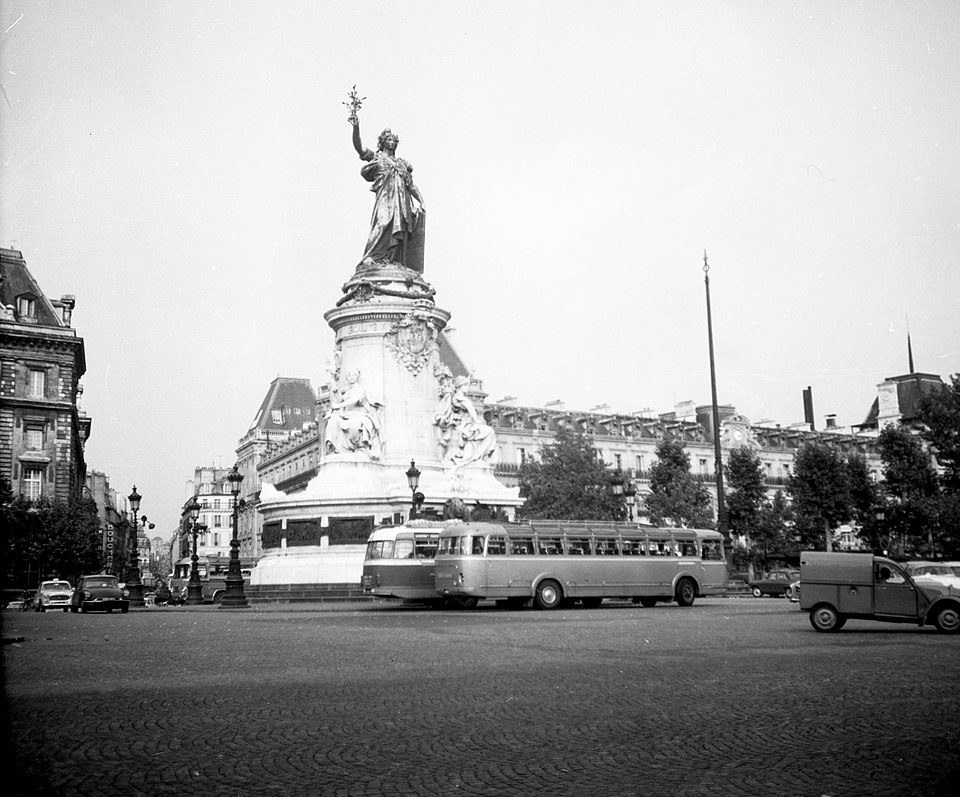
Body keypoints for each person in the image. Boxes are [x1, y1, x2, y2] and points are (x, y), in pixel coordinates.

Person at [350, 115, 426, 272]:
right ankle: (371, 257)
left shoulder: (402, 163)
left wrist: (421, 201)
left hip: (402, 201)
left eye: (393, 140)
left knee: (401, 228)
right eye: (388, 139)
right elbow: (359, 147)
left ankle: (394, 260)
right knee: (383, 223)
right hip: (385, 199)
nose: (391, 142)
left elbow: (410, 185)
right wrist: (356, 128)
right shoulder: (377, 158)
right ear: (382, 142)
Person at [324, 369, 383, 459]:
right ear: (346, 378)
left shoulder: (360, 389)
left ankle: (362, 448)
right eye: (349, 375)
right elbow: (337, 397)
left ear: (357, 377)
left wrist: (338, 406)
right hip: (345, 414)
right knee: (332, 421)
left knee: (357, 422)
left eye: (353, 375)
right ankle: (335, 449)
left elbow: (354, 400)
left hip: (358, 413)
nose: (351, 377)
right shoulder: (346, 391)